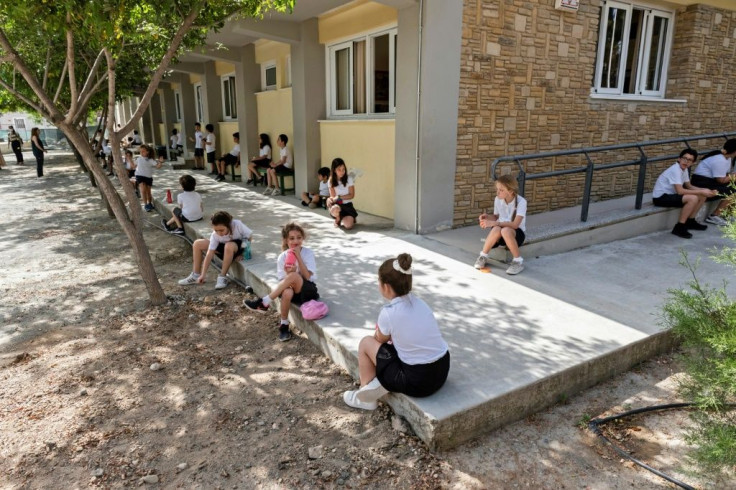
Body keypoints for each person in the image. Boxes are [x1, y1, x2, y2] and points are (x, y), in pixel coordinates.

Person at [343, 253, 450, 410]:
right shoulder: (421, 303)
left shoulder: (389, 312)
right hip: (442, 370)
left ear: (385, 286)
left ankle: (366, 398)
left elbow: (379, 340)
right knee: (401, 346)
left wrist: (380, 333)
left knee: (366, 343)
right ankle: (381, 382)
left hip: (418, 383)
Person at [243, 222, 319, 342]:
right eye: (292, 238)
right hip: (293, 292)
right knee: (287, 293)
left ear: (303, 238)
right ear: (285, 240)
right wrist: (289, 274)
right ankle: (284, 325)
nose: (296, 241)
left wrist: (298, 257)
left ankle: (264, 301)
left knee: (294, 276)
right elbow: (284, 284)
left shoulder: (307, 253)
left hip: (307, 290)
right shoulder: (283, 257)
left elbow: (308, 277)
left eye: (299, 237)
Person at [178, 211, 253, 290]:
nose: (219, 233)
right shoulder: (215, 235)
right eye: (216, 230)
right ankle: (195, 275)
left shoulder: (237, 224)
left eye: (221, 230)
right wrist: (203, 274)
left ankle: (222, 277)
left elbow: (249, 236)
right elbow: (209, 254)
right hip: (223, 250)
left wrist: (243, 253)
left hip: (236, 248)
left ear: (228, 225)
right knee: (197, 243)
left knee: (228, 245)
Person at [652, 148, 716, 239]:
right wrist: (701, 191)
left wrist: (706, 191)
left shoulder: (684, 169)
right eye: (684, 158)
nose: (686, 161)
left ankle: (690, 221)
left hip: (670, 195)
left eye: (689, 160)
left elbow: (689, 186)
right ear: (679, 159)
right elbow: (680, 191)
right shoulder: (675, 170)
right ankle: (679, 227)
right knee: (692, 198)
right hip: (660, 198)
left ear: (693, 163)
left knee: (702, 196)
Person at [474, 174, 528, 275]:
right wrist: (487, 217)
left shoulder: (521, 202)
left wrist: (494, 223)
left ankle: (518, 262)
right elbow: (496, 216)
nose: (498, 192)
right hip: (500, 232)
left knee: (505, 230)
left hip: (515, 234)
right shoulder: (498, 199)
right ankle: (483, 256)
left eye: (501, 190)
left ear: (511, 191)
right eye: (497, 189)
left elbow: (515, 225)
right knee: (497, 229)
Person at [691, 138, 736, 226]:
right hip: (701, 182)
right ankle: (714, 216)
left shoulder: (728, 158)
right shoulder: (719, 159)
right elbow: (721, 180)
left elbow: (725, 175)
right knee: (732, 190)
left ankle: (727, 214)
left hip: (711, 181)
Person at [326, 158, 358, 229]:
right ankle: (338, 218)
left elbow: (351, 195)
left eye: (343, 169)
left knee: (348, 226)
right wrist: (329, 199)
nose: (342, 172)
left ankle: (350, 217)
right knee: (334, 208)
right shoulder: (330, 181)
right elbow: (333, 197)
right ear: (334, 170)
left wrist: (339, 197)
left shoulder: (349, 179)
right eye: (339, 170)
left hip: (347, 206)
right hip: (338, 205)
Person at [134, 144, 164, 212]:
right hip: (139, 175)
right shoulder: (138, 159)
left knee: (148, 192)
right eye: (140, 151)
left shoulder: (150, 160)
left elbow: (158, 166)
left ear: (147, 152)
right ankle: (145, 205)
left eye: (143, 151)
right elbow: (133, 166)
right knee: (143, 190)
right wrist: (129, 160)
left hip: (148, 177)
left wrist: (160, 162)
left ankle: (149, 203)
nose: (141, 153)